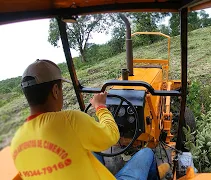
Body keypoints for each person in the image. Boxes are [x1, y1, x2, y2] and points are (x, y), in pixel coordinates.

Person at [10, 59, 169, 180]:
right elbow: (112, 136)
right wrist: (100, 107)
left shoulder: (16, 143)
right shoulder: (70, 120)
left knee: (92, 150)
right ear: (55, 91)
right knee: (146, 153)